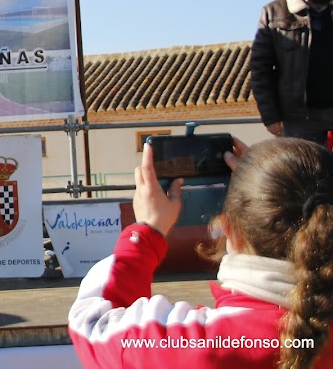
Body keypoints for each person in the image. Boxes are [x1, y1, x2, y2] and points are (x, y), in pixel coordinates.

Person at [68, 137, 333, 368]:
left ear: (230, 229)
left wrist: (147, 231)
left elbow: (91, 322)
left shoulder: (196, 345)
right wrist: (268, 178)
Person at [251, 0, 333, 146]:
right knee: (303, 174)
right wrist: (270, 115)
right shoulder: (274, 13)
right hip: (299, 118)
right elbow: (260, 68)